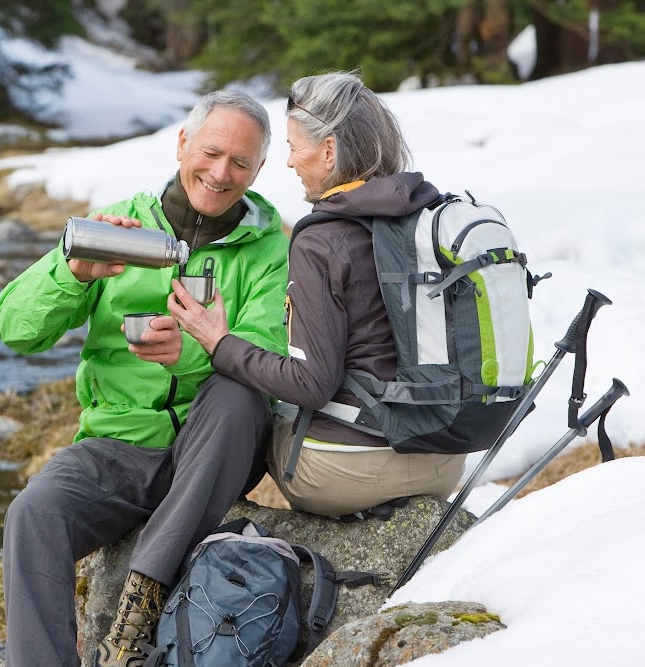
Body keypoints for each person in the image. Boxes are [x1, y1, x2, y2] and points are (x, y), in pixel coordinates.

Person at [0, 89, 289, 667]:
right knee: (33, 513)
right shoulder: (119, 226)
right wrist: (73, 271)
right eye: (211, 152)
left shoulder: (269, 247)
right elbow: (14, 328)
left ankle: (143, 594)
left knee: (237, 392)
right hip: (117, 447)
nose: (221, 172)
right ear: (182, 144)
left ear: (259, 169)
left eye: (240, 162)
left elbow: (265, 358)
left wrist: (193, 352)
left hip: (213, 449)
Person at [169, 71, 466, 519]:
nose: (289, 162)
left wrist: (219, 343)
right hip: (444, 462)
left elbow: (311, 384)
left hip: (348, 475)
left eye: (292, 146)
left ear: (327, 152)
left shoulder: (321, 240)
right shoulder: (422, 215)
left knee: (251, 412)